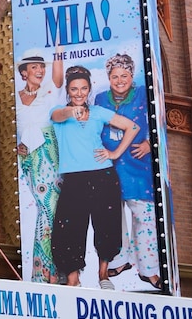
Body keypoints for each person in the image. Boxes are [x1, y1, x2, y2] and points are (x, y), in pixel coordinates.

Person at [50, 65, 138, 290]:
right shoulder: (59, 112)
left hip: (103, 176)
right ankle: (72, 279)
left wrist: (115, 153)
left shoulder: (99, 112)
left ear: (89, 90)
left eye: (83, 88)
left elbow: (132, 127)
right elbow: (59, 116)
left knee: (106, 225)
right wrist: (72, 112)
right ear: (68, 91)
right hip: (74, 179)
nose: (79, 93)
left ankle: (103, 275)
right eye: (74, 89)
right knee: (69, 228)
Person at [95, 54, 162, 289]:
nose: (120, 80)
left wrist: (149, 143)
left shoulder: (144, 92)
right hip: (109, 166)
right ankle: (119, 261)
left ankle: (149, 269)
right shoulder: (100, 98)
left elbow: (160, 121)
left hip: (138, 165)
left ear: (132, 76)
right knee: (114, 217)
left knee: (144, 216)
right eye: (115, 76)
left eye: (124, 75)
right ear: (108, 77)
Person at [15, 48, 63, 284]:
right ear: (24, 73)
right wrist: (18, 146)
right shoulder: (16, 98)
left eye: (41, 66)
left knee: (50, 208)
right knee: (37, 209)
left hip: (47, 155)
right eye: (34, 67)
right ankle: (40, 270)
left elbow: (58, 75)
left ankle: (50, 270)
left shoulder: (49, 93)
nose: (39, 70)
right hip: (27, 158)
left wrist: (58, 49)